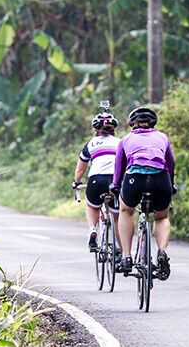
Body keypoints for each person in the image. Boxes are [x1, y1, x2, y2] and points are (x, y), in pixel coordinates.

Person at [110, 107, 175, 280]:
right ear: (154, 123)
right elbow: (170, 163)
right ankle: (161, 251)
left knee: (126, 211)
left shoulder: (126, 139)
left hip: (134, 178)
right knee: (161, 217)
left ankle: (126, 256)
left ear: (132, 124)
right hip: (161, 178)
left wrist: (115, 185)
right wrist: (172, 184)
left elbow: (119, 167)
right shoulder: (162, 137)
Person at [72, 111, 121, 252]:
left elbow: (80, 169)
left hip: (96, 179)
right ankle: (119, 248)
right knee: (117, 217)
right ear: (113, 129)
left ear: (96, 130)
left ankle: (93, 229)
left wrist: (76, 182)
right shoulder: (120, 143)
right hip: (115, 180)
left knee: (92, 206)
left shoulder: (91, 144)